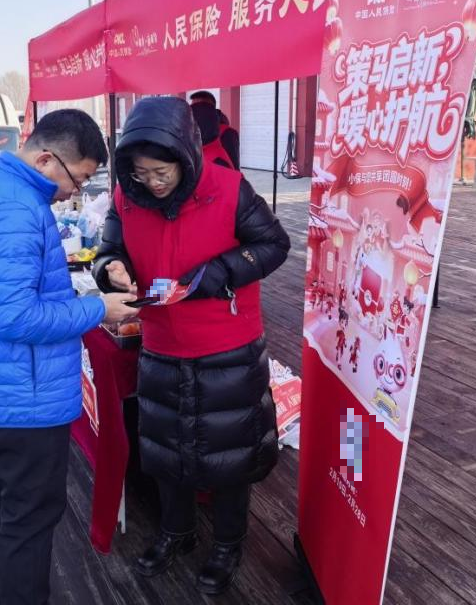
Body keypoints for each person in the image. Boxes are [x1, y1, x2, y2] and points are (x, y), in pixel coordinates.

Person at [0, 109, 139, 605]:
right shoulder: (16, 208)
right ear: (46, 160)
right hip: (21, 394)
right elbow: (17, 316)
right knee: (29, 519)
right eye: (77, 179)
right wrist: (98, 308)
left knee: (1, 498)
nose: (74, 193)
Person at [92, 96, 289, 595]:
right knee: (166, 452)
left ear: (186, 154)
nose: (152, 182)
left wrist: (223, 270)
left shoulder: (229, 187)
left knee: (230, 457)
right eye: (142, 173)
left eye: (162, 172)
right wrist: (111, 269)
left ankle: (227, 543)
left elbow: (274, 245)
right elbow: (109, 249)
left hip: (227, 346)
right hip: (161, 344)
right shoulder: (126, 194)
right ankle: (175, 532)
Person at [189, 90, 239, 169]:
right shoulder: (193, 131)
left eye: (198, 108)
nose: (194, 112)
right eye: (192, 107)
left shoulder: (228, 133)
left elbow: (235, 166)